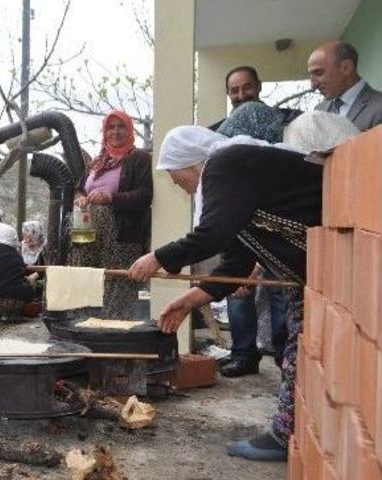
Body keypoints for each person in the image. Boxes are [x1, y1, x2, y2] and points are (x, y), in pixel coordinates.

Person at [127, 113, 357, 461]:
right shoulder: (236, 182)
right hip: (319, 272)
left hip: (342, 261)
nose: (178, 186)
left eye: (175, 176)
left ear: (190, 164)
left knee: (299, 352)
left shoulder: (227, 164)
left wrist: (157, 257)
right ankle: (292, 431)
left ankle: (285, 435)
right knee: (300, 352)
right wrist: (189, 301)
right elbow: (235, 261)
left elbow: (213, 235)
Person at [215, 101, 292, 377]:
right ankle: (244, 353)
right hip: (245, 243)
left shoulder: (281, 158)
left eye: (246, 87)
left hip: (279, 246)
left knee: (282, 296)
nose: (240, 94)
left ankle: (287, 359)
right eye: (233, 90)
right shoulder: (230, 156)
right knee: (236, 290)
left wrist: (256, 266)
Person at [70, 110, 152, 319]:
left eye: (121, 126)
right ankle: (87, 330)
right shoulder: (98, 161)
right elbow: (79, 188)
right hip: (87, 231)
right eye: (110, 127)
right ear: (105, 132)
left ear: (129, 129)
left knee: (117, 284)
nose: (116, 132)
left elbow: (145, 195)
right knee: (86, 279)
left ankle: (115, 337)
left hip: (121, 235)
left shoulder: (139, 159)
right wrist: (80, 198)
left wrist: (111, 197)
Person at [309, 41, 382, 131]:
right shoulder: (319, 110)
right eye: (311, 75)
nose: (313, 85)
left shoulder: (379, 107)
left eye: (319, 73)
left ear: (346, 67)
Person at [209, 65, 302, 131]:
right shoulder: (213, 132)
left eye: (247, 88)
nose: (241, 96)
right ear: (228, 93)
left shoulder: (290, 119)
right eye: (235, 91)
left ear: (259, 87)